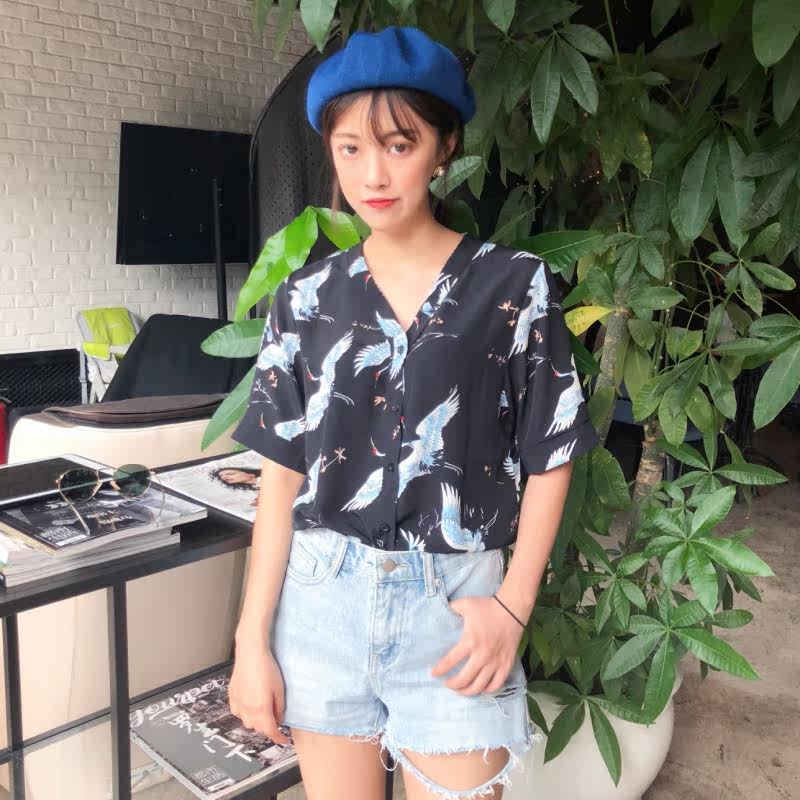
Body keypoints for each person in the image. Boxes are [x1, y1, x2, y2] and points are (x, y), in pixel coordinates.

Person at [228, 25, 598, 800]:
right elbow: (280, 479)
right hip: (322, 605)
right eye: (351, 148)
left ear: (444, 146)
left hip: (456, 612)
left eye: (400, 145)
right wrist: (250, 641)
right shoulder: (304, 300)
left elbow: (553, 452)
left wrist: (513, 608)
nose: (373, 173)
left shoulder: (513, 286)